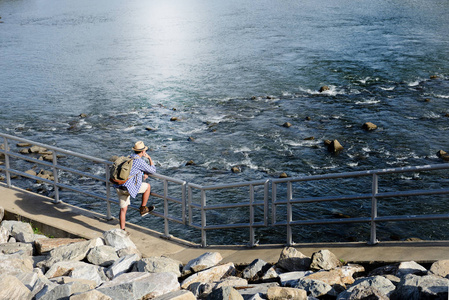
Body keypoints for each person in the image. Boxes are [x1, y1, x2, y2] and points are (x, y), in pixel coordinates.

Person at [114, 141, 157, 231]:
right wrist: (149, 158)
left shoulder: (128, 157)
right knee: (147, 186)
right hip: (129, 188)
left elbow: (131, 170)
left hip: (119, 186)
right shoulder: (139, 161)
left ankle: (122, 230)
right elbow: (152, 170)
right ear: (142, 152)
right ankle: (143, 208)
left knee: (123, 210)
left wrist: (142, 173)